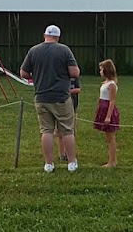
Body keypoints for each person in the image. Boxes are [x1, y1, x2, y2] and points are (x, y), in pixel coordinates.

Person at [20, 25, 80, 173]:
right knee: (67, 130)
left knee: (46, 131)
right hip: (61, 97)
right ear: (58, 37)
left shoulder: (33, 51)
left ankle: (49, 164)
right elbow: (74, 72)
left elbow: (23, 73)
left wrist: (37, 76)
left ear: (44, 35)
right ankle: (71, 163)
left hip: (41, 97)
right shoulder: (64, 50)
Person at [93, 59, 120, 168]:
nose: (100, 72)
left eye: (101, 70)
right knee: (108, 137)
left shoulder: (112, 85)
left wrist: (108, 116)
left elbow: (112, 101)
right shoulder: (106, 83)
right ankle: (112, 160)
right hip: (102, 108)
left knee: (111, 137)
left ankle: (112, 161)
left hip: (108, 110)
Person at [55, 77, 81, 162]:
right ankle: (61, 154)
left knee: (71, 131)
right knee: (60, 132)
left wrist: (67, 92)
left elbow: (78, 89)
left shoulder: (74, 78)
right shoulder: (58, 75)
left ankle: (69, 153)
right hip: (60, 107)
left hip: (72, 108)